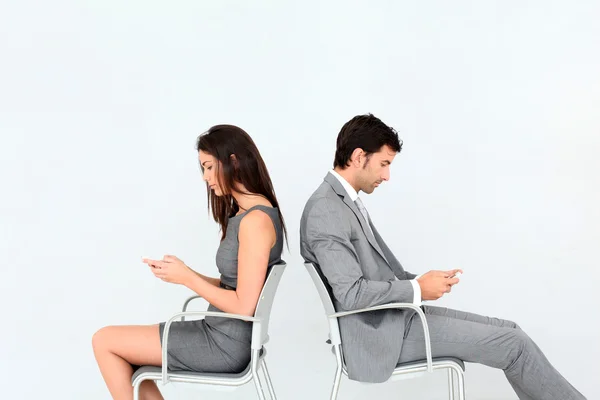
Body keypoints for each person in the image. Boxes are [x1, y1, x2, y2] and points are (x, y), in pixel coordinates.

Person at [299, 114, 586, 399]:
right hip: (379, 337)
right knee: (513, 344)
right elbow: (351, 294)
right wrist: (417, 289)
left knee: (511, 330)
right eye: (384, 164)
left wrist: (421, 281)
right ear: (359, 156)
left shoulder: (344, 201)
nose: (387, 176)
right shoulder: (327, 209)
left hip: (395, 318)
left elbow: (378, 276)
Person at [93, 125, 287, 400]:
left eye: (209, 167)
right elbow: (235, 285)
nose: (206, 177)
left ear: (233, 161)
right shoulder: (252, 214)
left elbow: (244, 306)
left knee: (105, 341)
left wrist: (186, 278)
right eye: (203, 169)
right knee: (124, 352)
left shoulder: (255, 221)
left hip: (224, 344)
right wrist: (183, 272)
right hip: (219, 333)